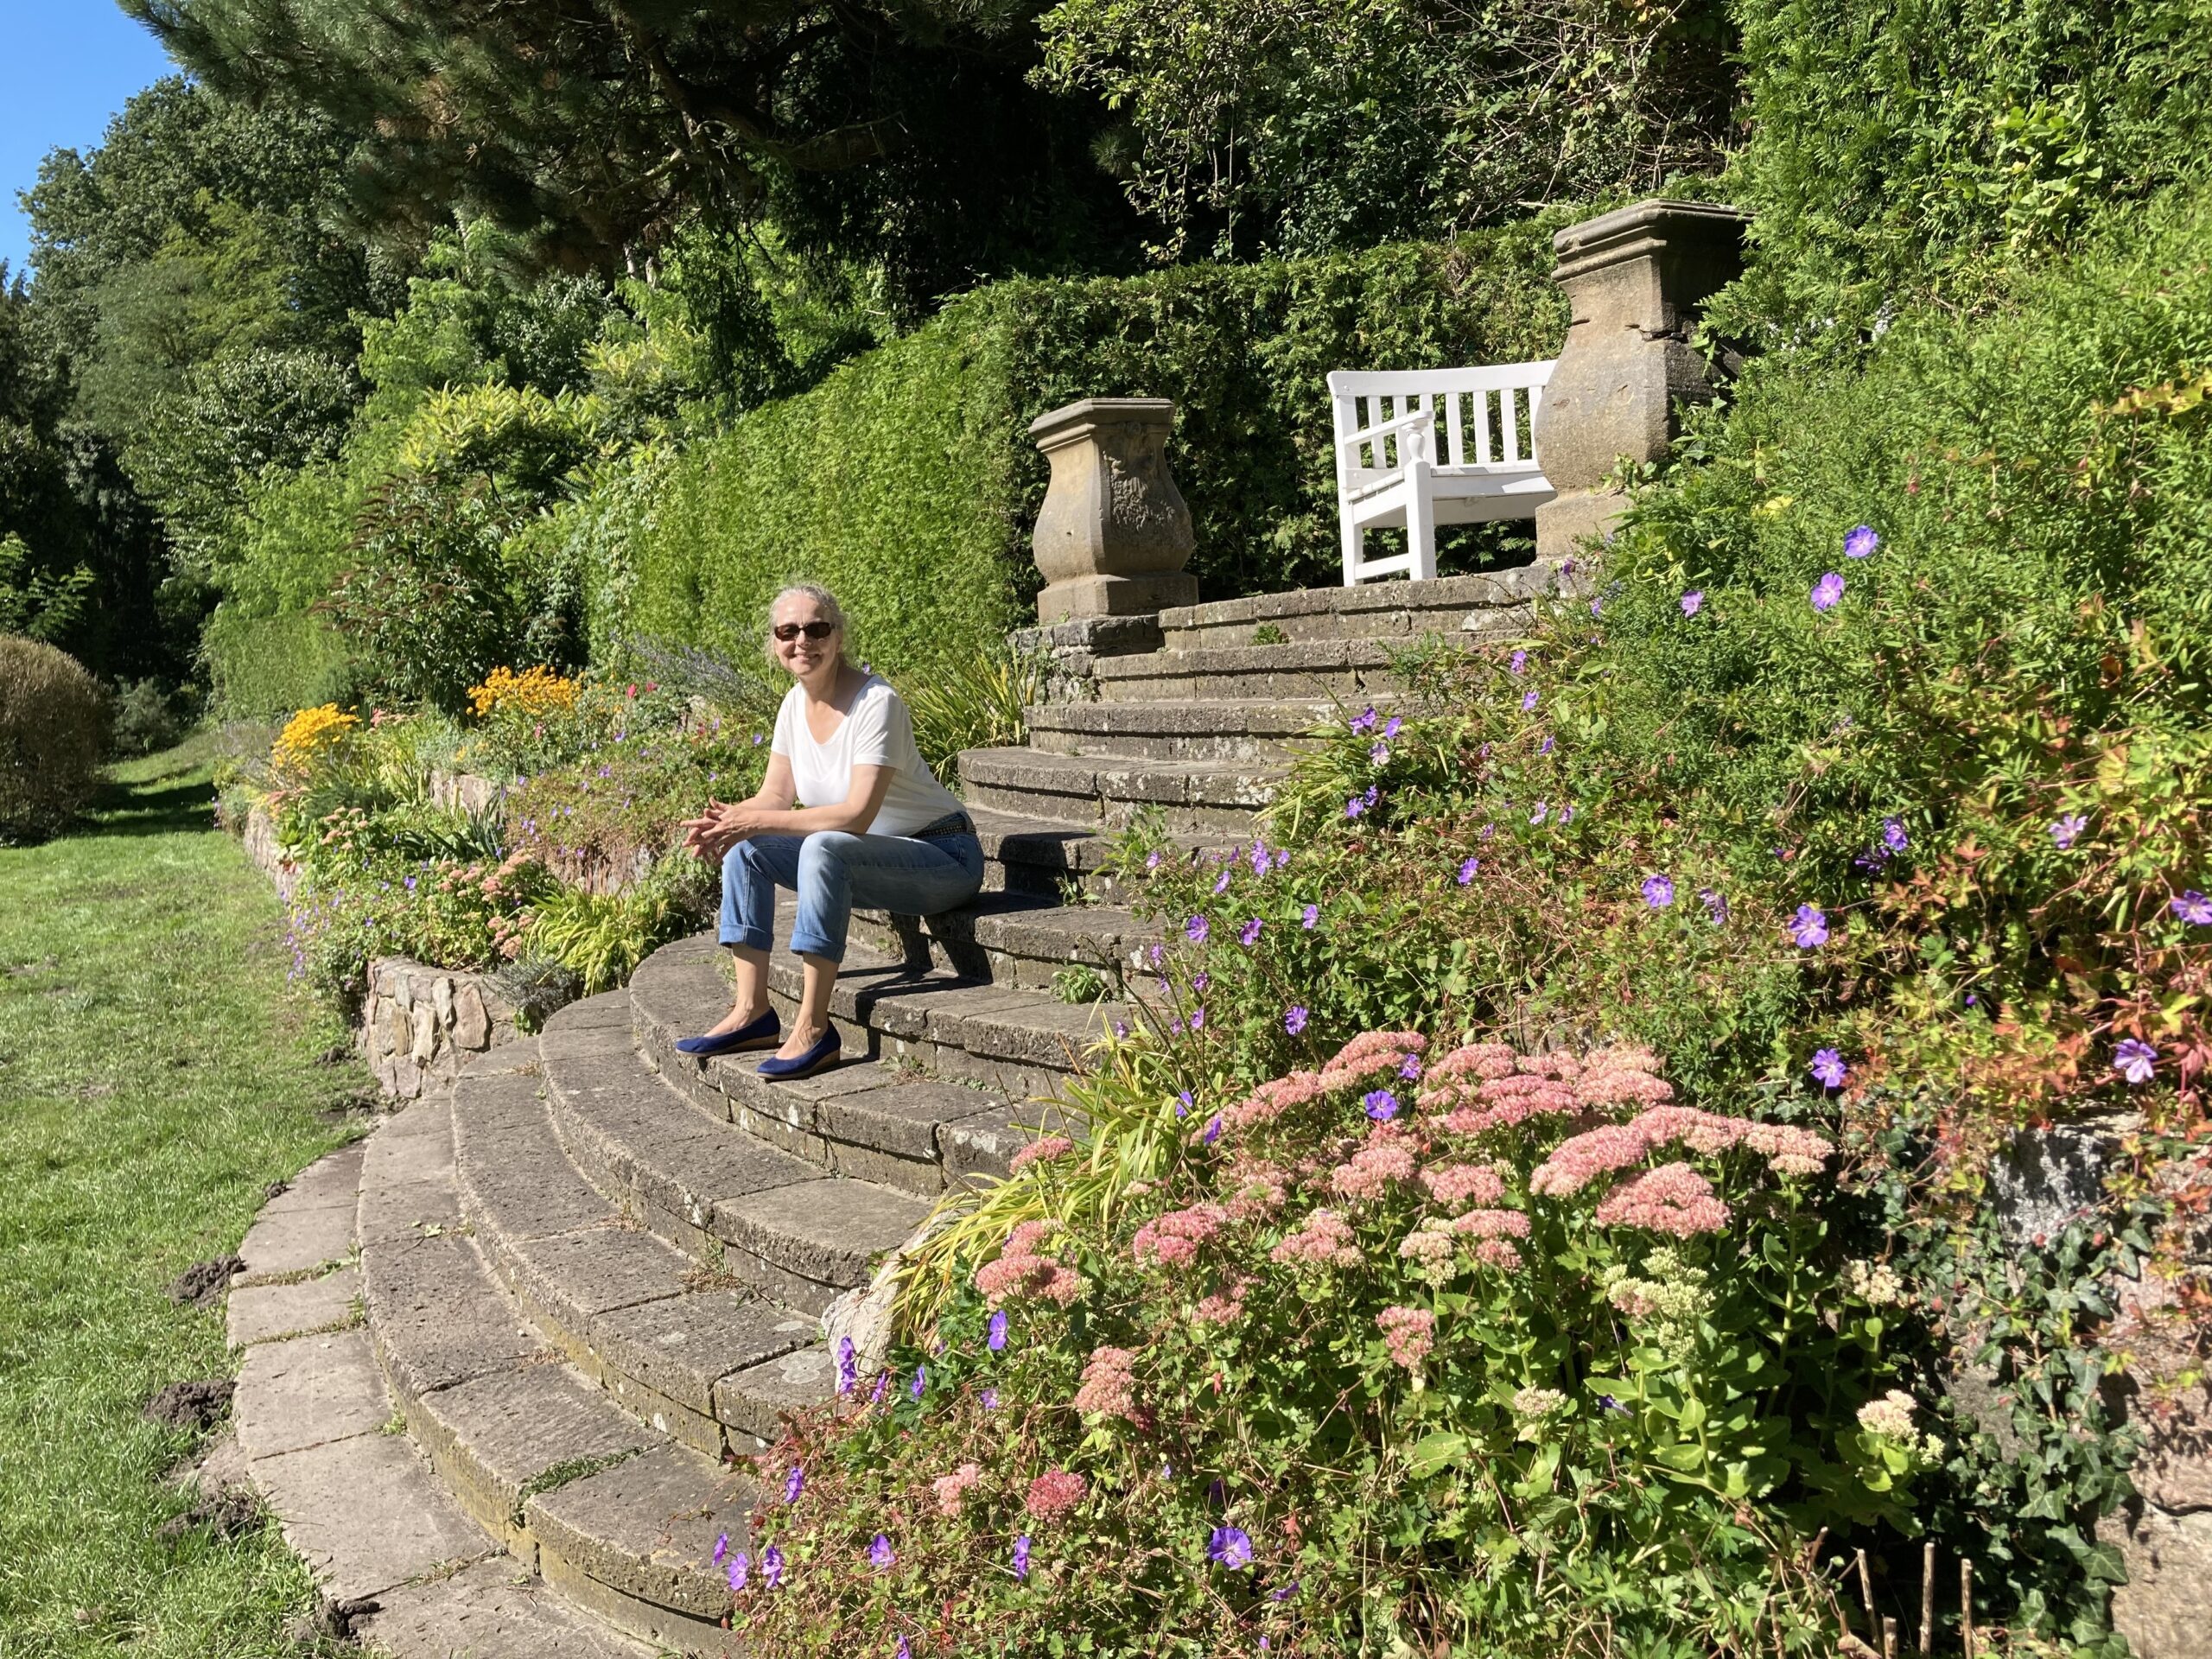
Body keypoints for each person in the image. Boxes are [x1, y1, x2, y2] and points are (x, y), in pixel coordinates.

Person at [675, 583, 983, 1078]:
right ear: (774, 642)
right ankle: (752, 1012)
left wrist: (754, 820)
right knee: (745, 850)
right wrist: (727, 822)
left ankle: (815, 1029)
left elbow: (855, 816)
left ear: (839, 638)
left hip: (943, 856)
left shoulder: (876, 703)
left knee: (823, 847)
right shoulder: (792, 706)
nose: (803, 641)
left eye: (817, 629)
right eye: (788, 631)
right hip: (870, 858)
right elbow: (773, 799)